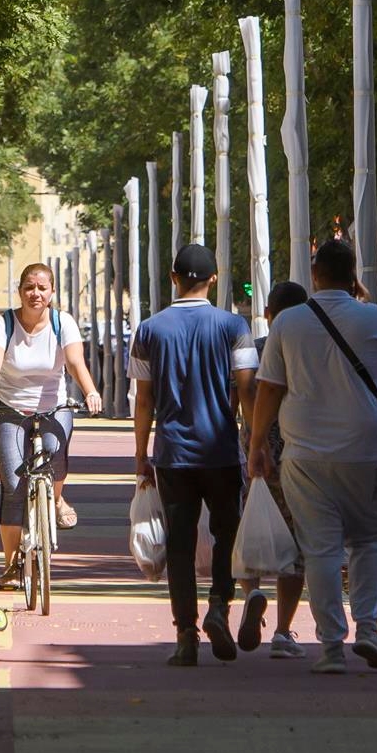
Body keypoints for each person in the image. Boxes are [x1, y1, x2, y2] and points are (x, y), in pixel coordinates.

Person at [248, 238, 377, 675]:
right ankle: (369, 628)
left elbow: (269, 389)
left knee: (320, 549)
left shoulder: (288, 323)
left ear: (314, 274)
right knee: (372, 538)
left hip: (304, 454)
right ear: (354, 275)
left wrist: (257, 445)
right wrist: (366, 302)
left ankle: (331, 648)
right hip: (366, 450)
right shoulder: (374, 316)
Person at [131, 244, 260, 666]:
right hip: (221, 450)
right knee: (227, 534)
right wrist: (254, 442)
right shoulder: (233, 326)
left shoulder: (149, 330)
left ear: (173, 278)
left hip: (173, 454)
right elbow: (247, 385)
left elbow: (144, 400)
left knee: (181, 546)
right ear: (215, 278)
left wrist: (140, 453)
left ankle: (185, 634)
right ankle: (219, 605)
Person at [0, 263, 103, 591]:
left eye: (42, 288)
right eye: (29, 287)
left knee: (56, 455)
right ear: (20, 291)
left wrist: (89, 391)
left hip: (53, 407)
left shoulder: (64, 323)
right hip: (11, 410)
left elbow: (75, 362)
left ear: (52, 292)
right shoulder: (3, 324)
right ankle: (10, 564)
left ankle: (56, 500)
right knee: (13, 486)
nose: (36, 293)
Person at [251, 279, 311, 660]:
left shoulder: (253, 350)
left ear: (268, 315)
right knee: (297, 546)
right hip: (304, 455)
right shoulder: (313, 350)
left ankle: (251, 592)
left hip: (257, 457)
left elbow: (236, 399)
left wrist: (250, 444)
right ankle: (283, 630)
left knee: (252, 532)